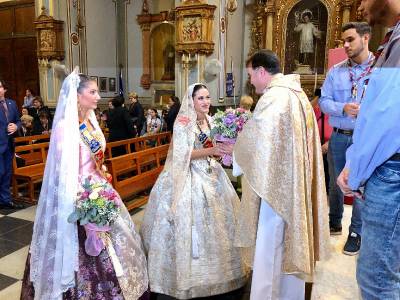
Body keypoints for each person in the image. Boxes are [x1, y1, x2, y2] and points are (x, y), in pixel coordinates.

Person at [20, 70, 149, 299]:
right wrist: (83, 197)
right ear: (77, 97)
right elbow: (62, 172)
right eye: (93, 92)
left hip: (99, 188)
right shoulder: (63, 129)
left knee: (119, 241)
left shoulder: (90, 122)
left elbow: (96, 158)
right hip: (78, 196)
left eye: (97, 91)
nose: (98, 96)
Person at [230, 50, 329, 300]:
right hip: (293, 183)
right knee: (287, 246)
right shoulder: (298, 95)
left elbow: (257, 139)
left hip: (275, 189)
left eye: (252, 74)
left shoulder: (274, 97)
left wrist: (233, 150)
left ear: (262, 71)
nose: (251, 81)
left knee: (270, 246)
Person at [140, 83, 248, 299]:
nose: (206, 102)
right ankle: (185, 275)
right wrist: (213, 149)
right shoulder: (183, 122)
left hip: (212, 172)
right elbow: (183, 155)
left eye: (208, 97)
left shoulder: (209, 120)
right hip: (187, 176)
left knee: (220, 222)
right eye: (201, 98)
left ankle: (220, 271)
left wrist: (224, 151)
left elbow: (215, 146)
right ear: (191, 100)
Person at [337, 1, 400, 298]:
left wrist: (357, 169)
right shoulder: (393, 38)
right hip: (381, 160)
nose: (360, 6)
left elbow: (384, 119)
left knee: (376, 279)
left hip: (390, 168)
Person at [319, 22, 374, 255]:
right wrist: (343, 108)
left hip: (364, 137)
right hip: (340, 136)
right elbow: (323, 101)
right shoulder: (336, 71)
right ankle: (334, 221)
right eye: (344, 41)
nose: (346, 45)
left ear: (366, 38)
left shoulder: (380, 70)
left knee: (359, 184)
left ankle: (356, 232)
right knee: (335, 182)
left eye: (351, 39)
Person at [0, 79, 23, 209]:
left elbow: (18, 121)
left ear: (4, 89)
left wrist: (16, 126)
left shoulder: (12, 103)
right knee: (1, 172)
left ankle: (5, 200)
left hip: (9, 144)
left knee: (7, 173)